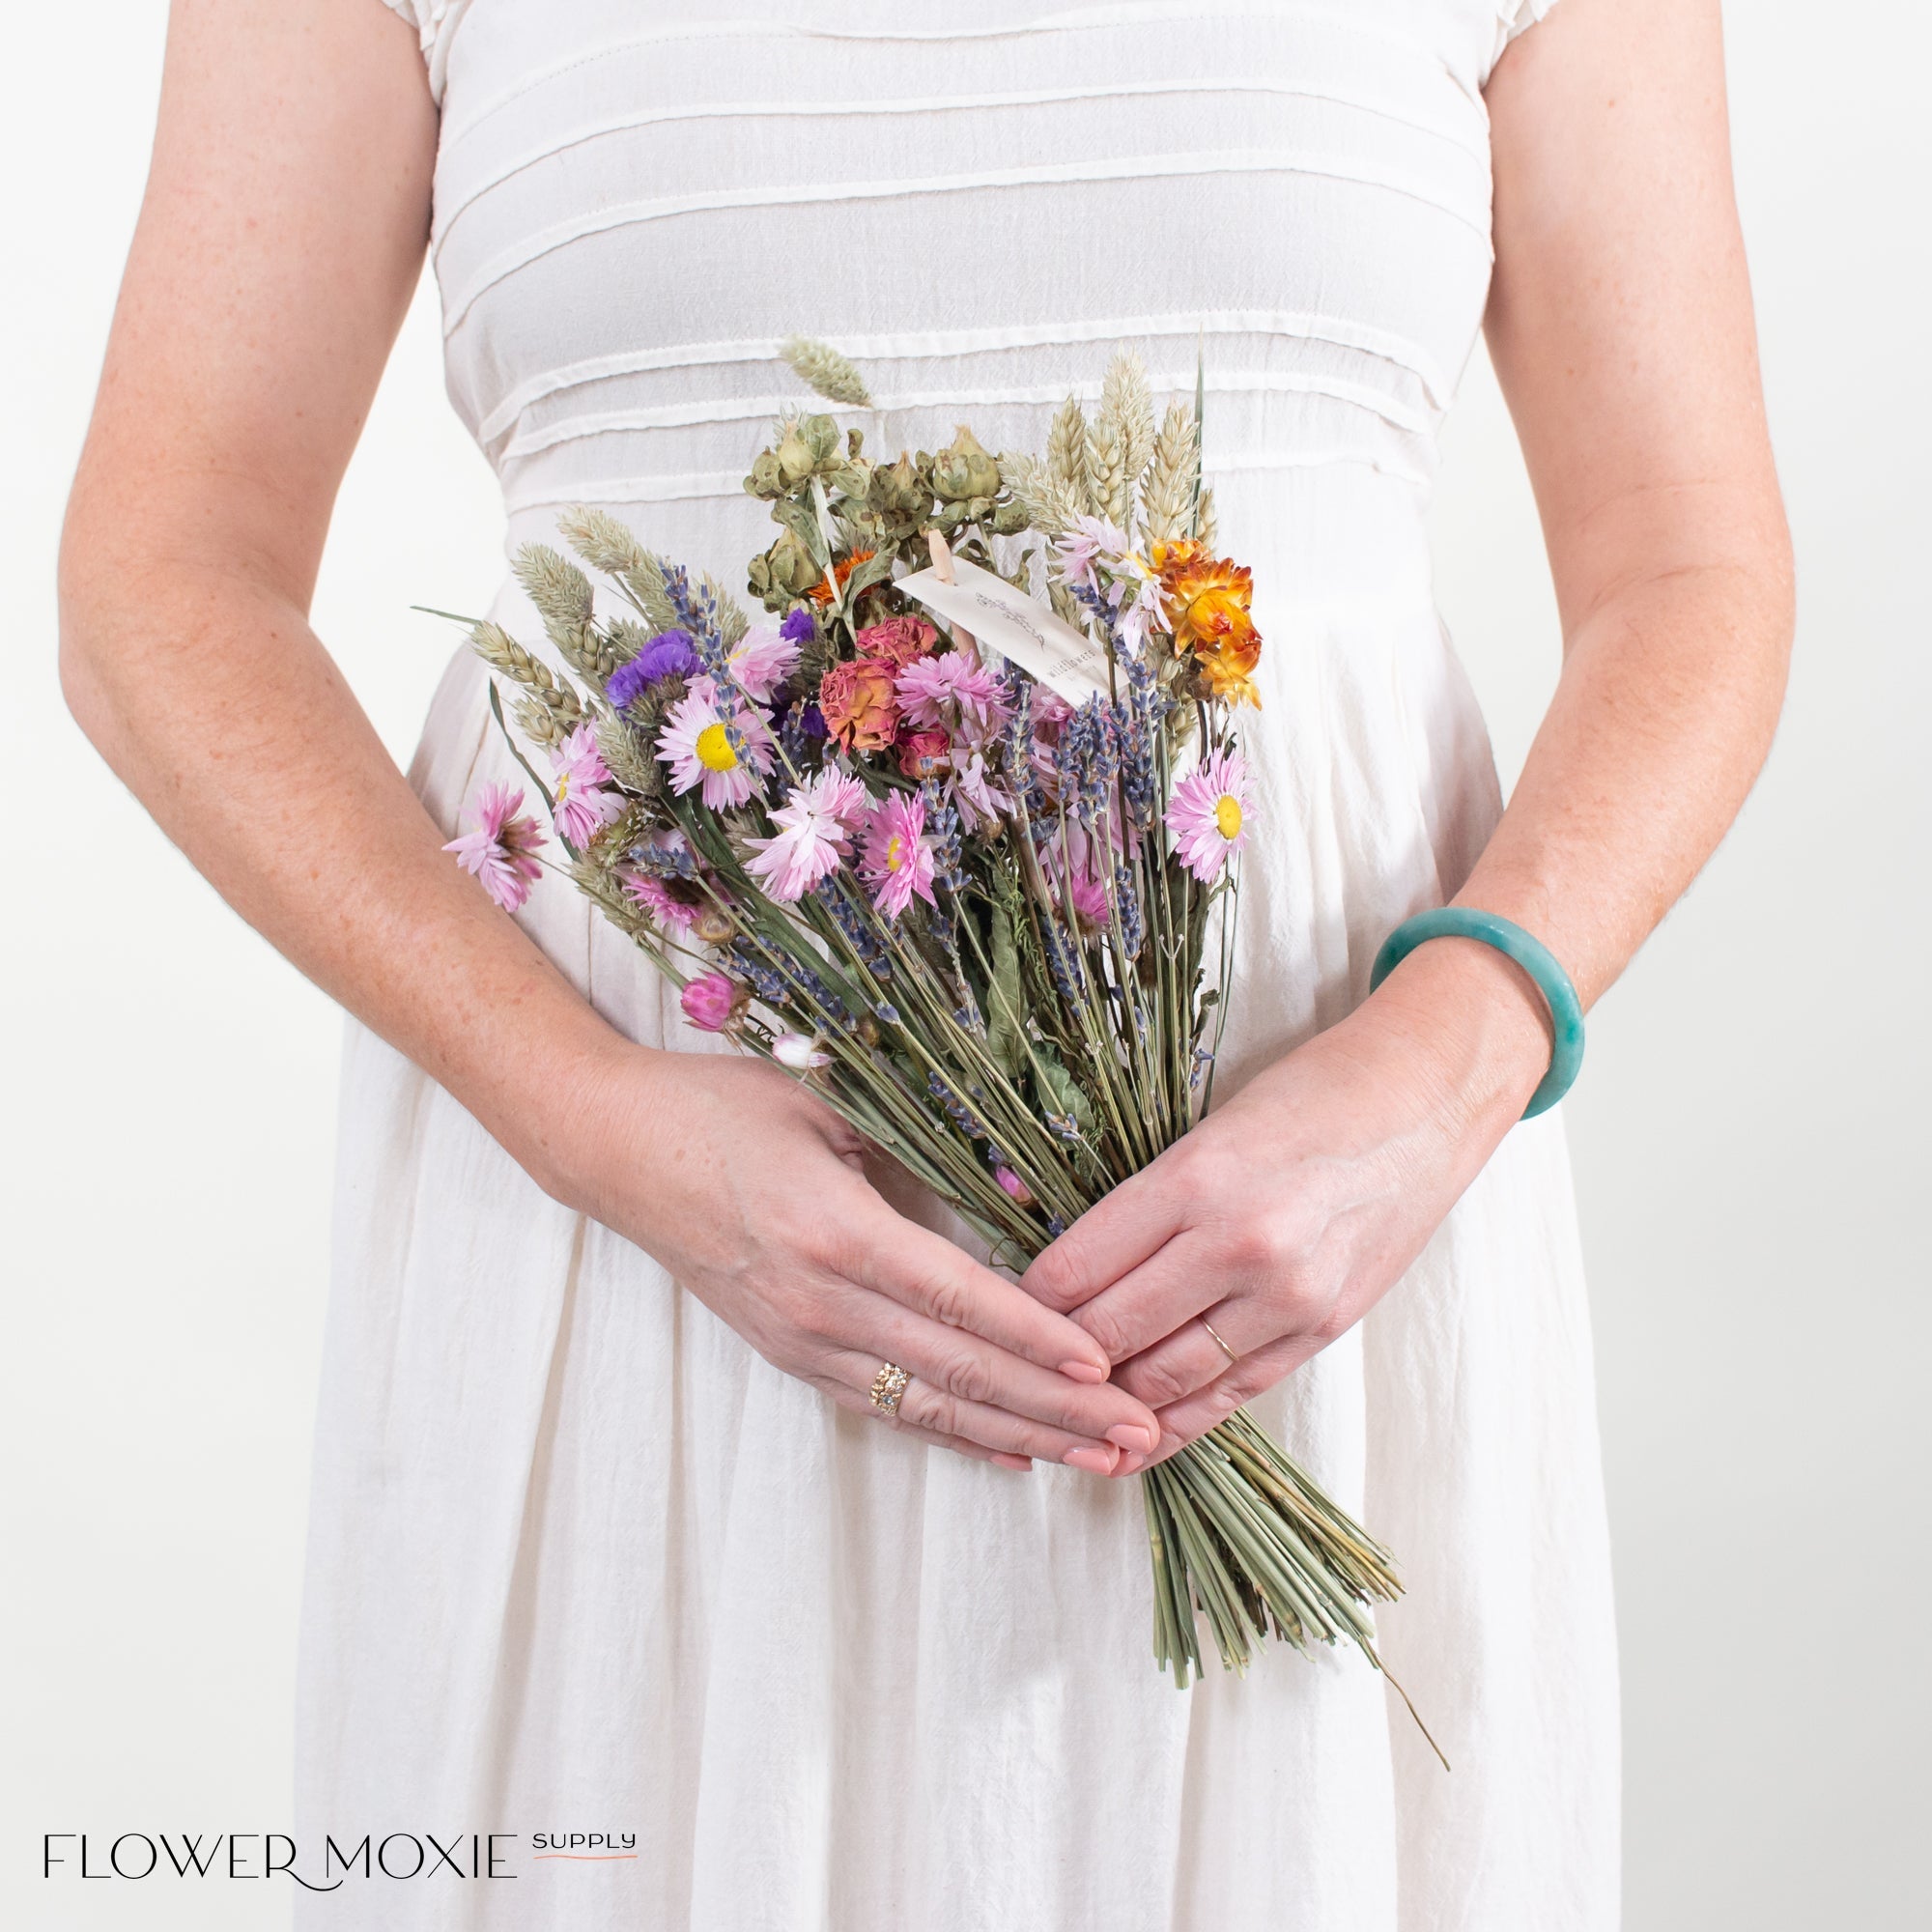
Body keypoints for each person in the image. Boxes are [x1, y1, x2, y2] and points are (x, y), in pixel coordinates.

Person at [59, 0, 1791, 1925]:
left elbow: (1685, 569)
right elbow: (164, 572)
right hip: (635, 1258)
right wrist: (589, 1115)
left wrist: (1454, 1048)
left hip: (1307, 1256)